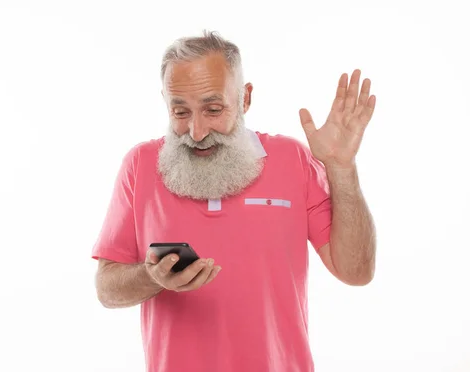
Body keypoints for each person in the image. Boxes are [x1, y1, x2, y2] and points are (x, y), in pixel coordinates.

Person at [91, 30, 377, 372]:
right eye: (180, 112)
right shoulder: (139, 164)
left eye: (213, 109)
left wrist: (341, 168)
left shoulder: (292, 159)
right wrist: (152, 277)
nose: (196, 132)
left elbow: (356, 271)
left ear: (244, 99)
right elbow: (107, 289)